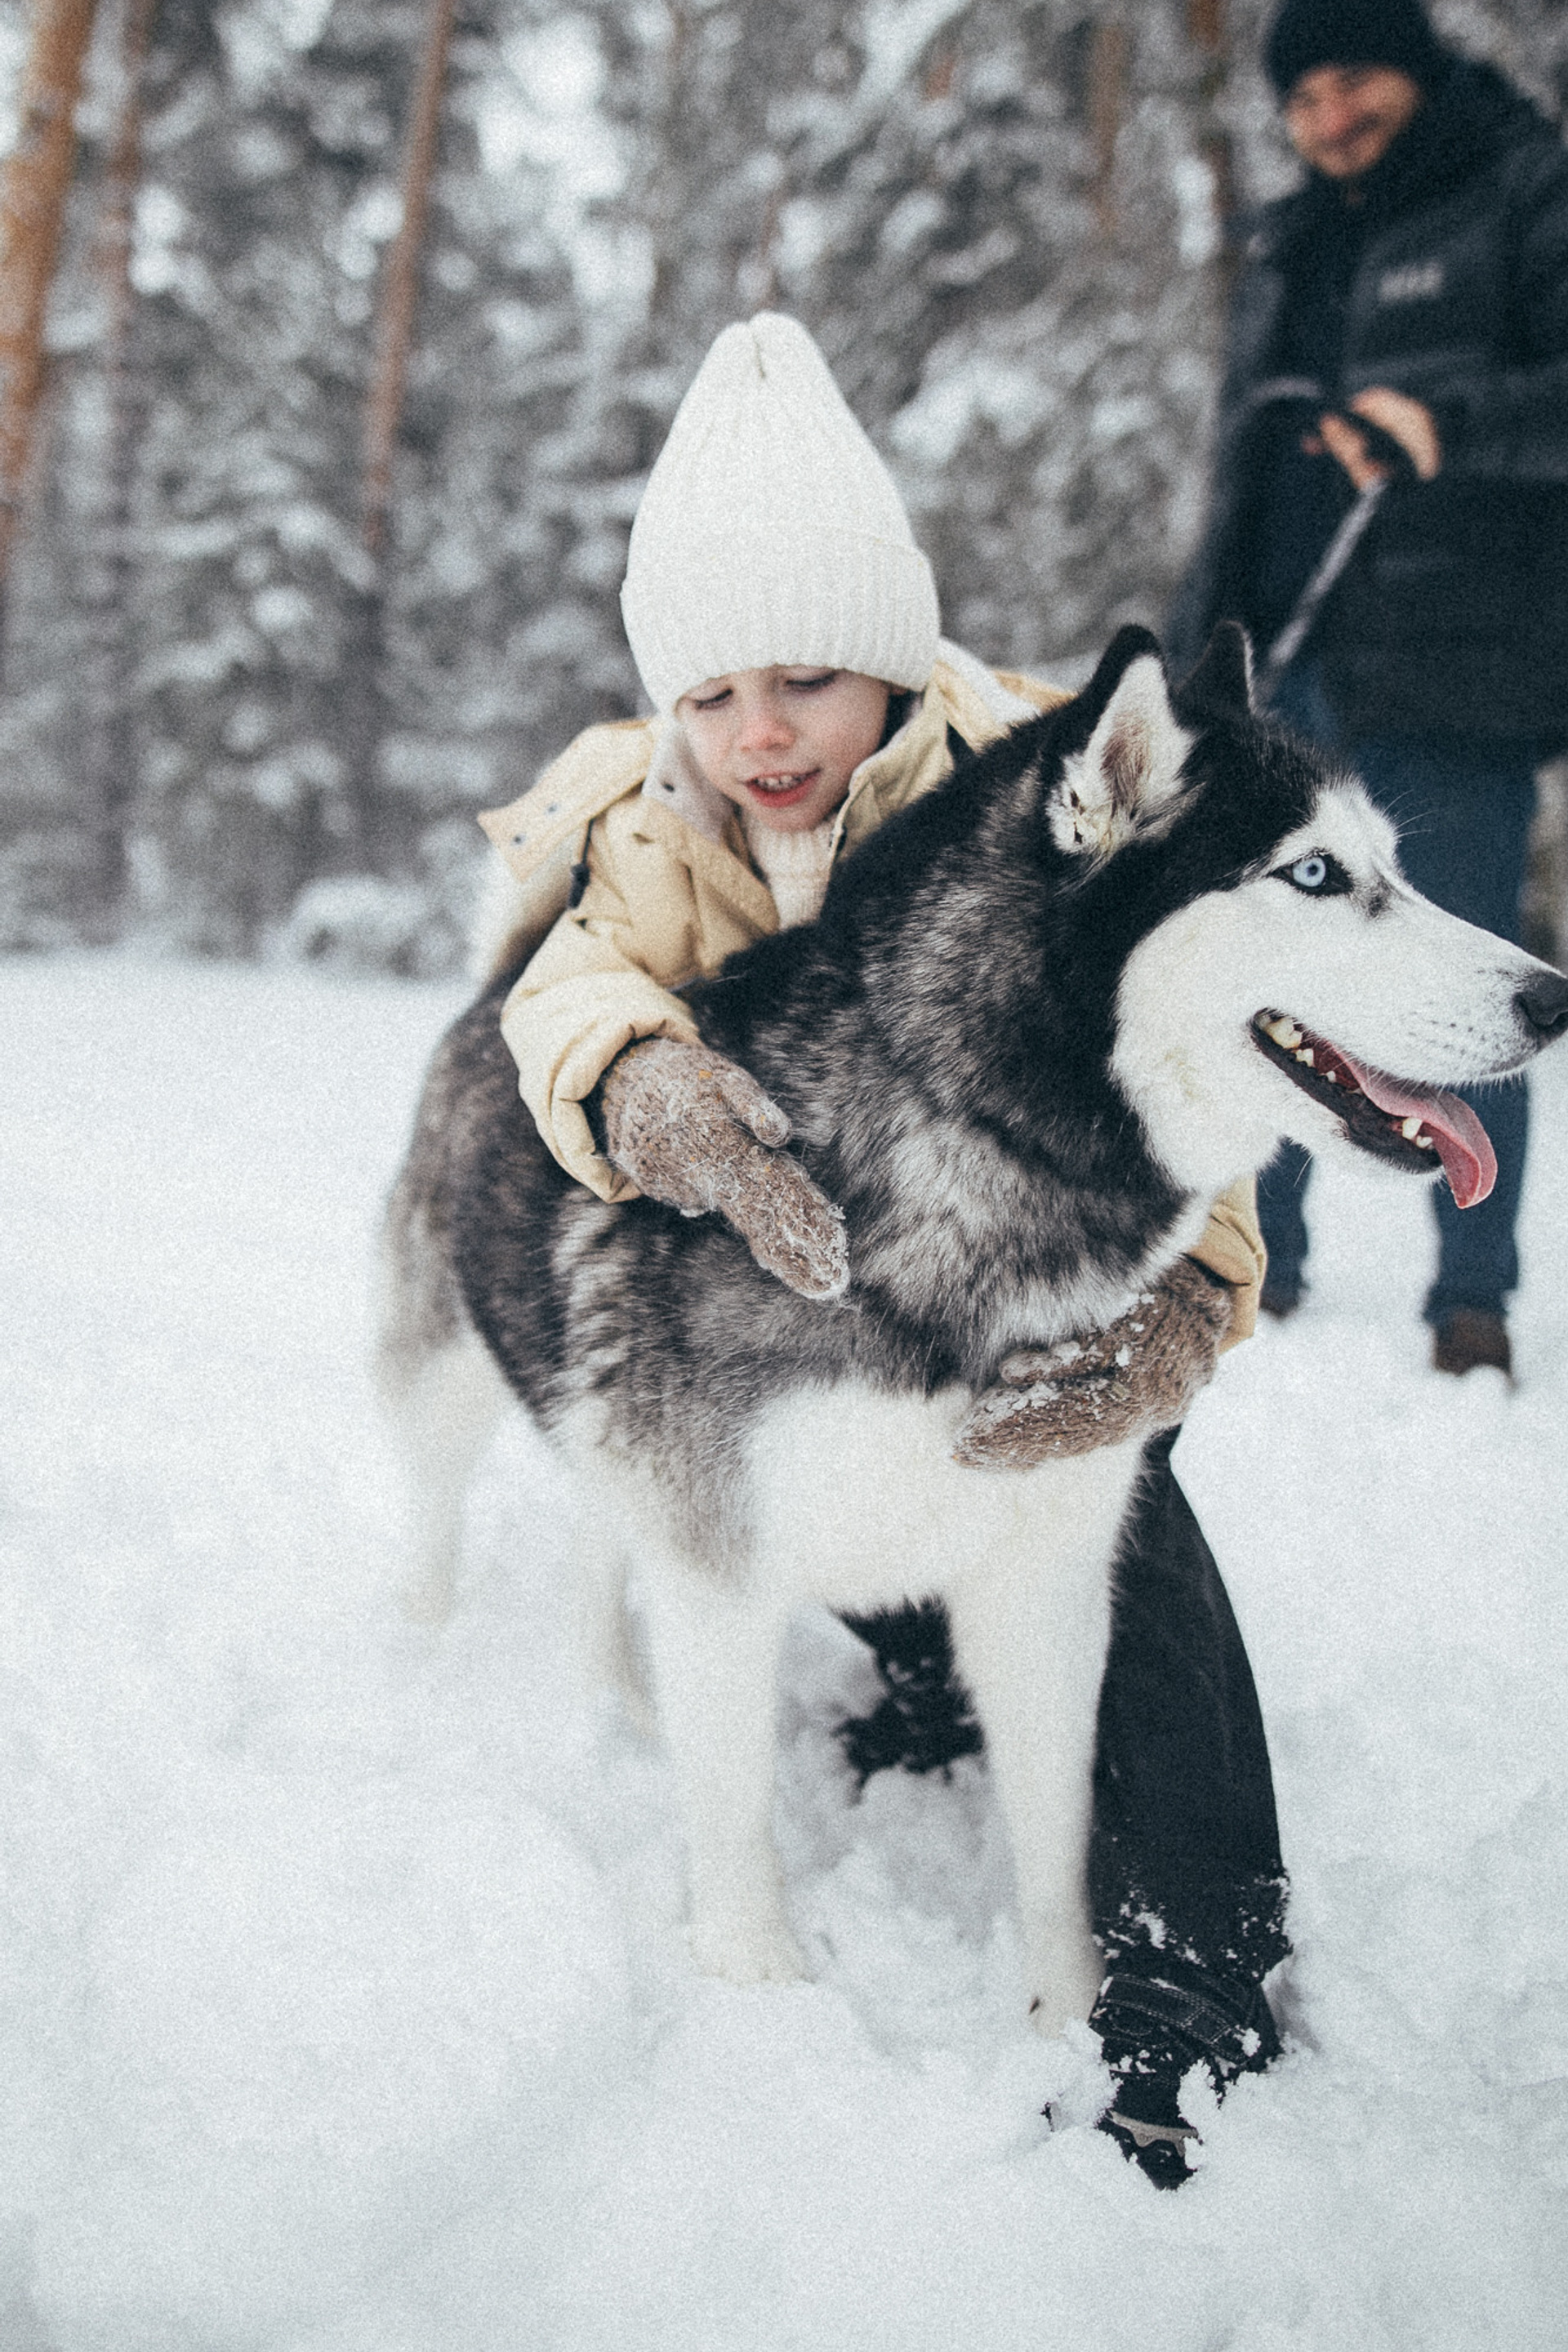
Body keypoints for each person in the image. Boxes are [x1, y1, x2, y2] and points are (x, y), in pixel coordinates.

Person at [480, 313, 1288, 2184]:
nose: (760, 729)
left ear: (899, 664)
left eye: (811, 677)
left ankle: (1191, 1954)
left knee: (1118, 1541)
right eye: (713, 691)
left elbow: (1193, 1057)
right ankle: (926, 1680)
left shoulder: (1040, 793)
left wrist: (1195, 1299)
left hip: (1048, 1290)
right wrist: (633, 1080)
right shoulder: (653, 823)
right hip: (823, 1292)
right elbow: (562, 992)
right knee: (814, 1482)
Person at [1168, 0, 1568, 1377]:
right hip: (1287, 668)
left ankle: (1472, 1298)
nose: (1328, 118)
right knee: (1272, 964)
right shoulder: (1289, 239)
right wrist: (1191, 670)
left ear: (1412, 69)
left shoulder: (1522, 184)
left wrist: (1450, 425)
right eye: (1303, 97)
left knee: (1464, 974)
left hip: (1460, 669)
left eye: (1352, 82)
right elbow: (1244, 465)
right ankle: (1255, 1264)